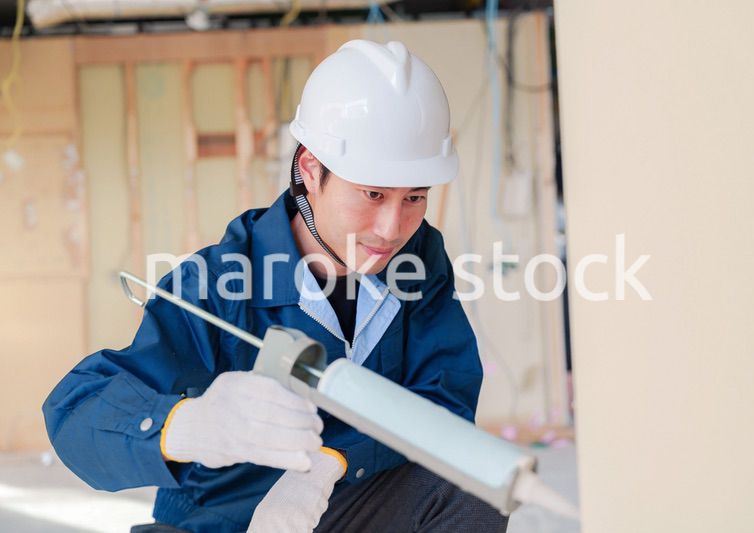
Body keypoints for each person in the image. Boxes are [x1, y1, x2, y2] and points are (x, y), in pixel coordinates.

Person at [43, 39, 509, 533]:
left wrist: (329, 464)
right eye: (372, 194)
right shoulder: (215, 285)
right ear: (311, 170)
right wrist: (188, 426)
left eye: (414, 197)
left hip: (342, 505)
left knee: (472, 483)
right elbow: (75, 412)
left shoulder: (417, 260)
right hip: (217, 524)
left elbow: (444, 403)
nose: (392, 227)